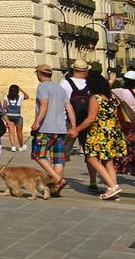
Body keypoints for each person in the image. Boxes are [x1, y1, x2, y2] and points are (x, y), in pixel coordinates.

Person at [72, 71, 126, 201]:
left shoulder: (95, 98)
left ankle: (112, 186)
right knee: (108, 161)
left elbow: (90, 119)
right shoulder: (112, 96)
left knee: (91, 158)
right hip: (113, 131)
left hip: (99, 133)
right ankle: (112, 189)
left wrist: (76, 129)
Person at [32, 62, 75, 195]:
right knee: (58, 158)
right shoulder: (60, 89)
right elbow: (69, 108)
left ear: (39, 74)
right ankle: (55, 188)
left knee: (38, 155)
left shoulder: (43, 87)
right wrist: (73, 126)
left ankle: (57, 179)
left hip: (46, 128)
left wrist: (37, 122)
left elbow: (44, 105)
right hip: (61, 128)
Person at [63, 61, 95, 189]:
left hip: (70, 123)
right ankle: (93, 181)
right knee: (90, 153)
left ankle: (59, 177)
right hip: (87, 122)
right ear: (86, 71)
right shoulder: (90, 84)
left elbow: (63, 103)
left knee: (63, 152)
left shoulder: (65, 83)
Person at [3, 84, 26, 152]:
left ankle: (13, 146)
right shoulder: (20, 97)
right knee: (19, 132)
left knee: (11, 132)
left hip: (9, 115)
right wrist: (21, 90)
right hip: (18, 116)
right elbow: (27, 96)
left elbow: (3, 107)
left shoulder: (6, 97)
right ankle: (21, 146)